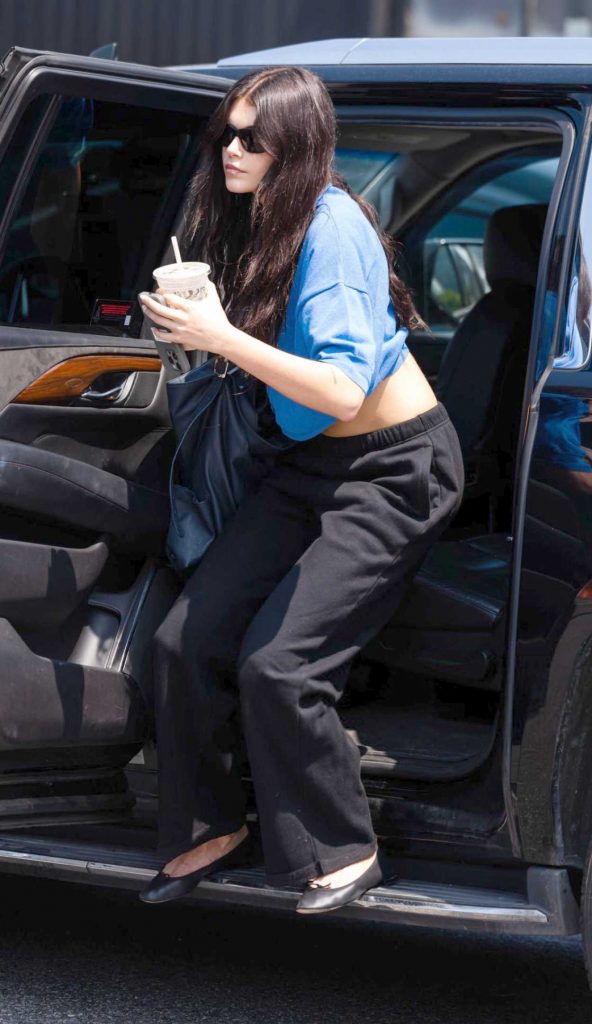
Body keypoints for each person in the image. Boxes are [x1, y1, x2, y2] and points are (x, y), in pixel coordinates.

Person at [138, 66, 464, 914]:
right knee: (182, 641)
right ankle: (211, 826)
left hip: (392, 466)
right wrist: (195, 336)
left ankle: (342, 848)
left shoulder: (331, 226)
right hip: (304, 465)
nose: (234, 149)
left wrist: (221, 336)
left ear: (301, 143)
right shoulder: (253, 219)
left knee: (278, 665)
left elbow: (341, 391)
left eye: (255, 136)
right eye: (227, 133)